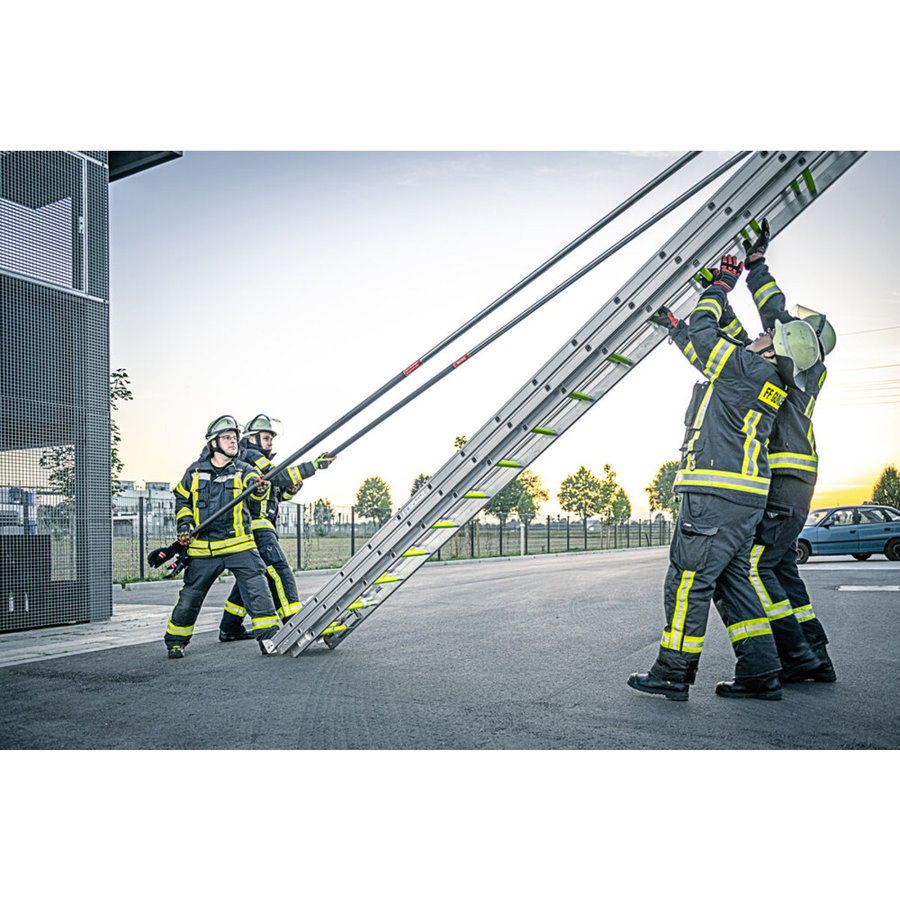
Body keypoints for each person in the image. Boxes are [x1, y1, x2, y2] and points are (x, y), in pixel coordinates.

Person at [627, 254, 822, 701]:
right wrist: (677, 327)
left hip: (715, 493)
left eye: (765, 335)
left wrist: (722, 284)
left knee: (688, 581)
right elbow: (708, 350)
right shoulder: (763, 373)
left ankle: (672, 673)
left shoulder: (746, 367)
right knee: (733, 580)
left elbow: (706, 335)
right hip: (745, 498)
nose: (757, 334)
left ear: (772, 350)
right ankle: (761, 671)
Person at [741, 220, 838, 681]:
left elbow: (773, 318)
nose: (783, 330)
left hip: (783, 483)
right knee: (781, 567)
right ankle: (817, 657)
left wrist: (755, 266)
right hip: (797, 485)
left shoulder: (796, 363)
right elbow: (764, 329)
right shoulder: (805, 373)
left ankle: (796, 656)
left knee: (758, 568)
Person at [164, 415, 282, 659]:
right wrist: (184, 525)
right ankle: (176, 641)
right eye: (227, 437)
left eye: (235, 438)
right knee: (190, 597)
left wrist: (260, 488)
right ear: (213, 443)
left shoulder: (244, 470)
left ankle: (270, 639)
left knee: (258, 591)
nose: (233, 441)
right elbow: (182, 500)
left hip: (239, 545)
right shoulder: (194, 472)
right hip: (204, 549)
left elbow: (256, 489)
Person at [218, 414, 331, 641]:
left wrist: (293, 487)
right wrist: (312, 467)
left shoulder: (257, 462)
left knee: (252, 578)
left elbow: (277, 494)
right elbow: (277, 476)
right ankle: (295, 624)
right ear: (251, 439)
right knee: (280, 571)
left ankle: (230, 627)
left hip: (259, 526)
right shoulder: (251, 456)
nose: (270, 442)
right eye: (266, 437)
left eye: (271, 438)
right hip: (256, 527)